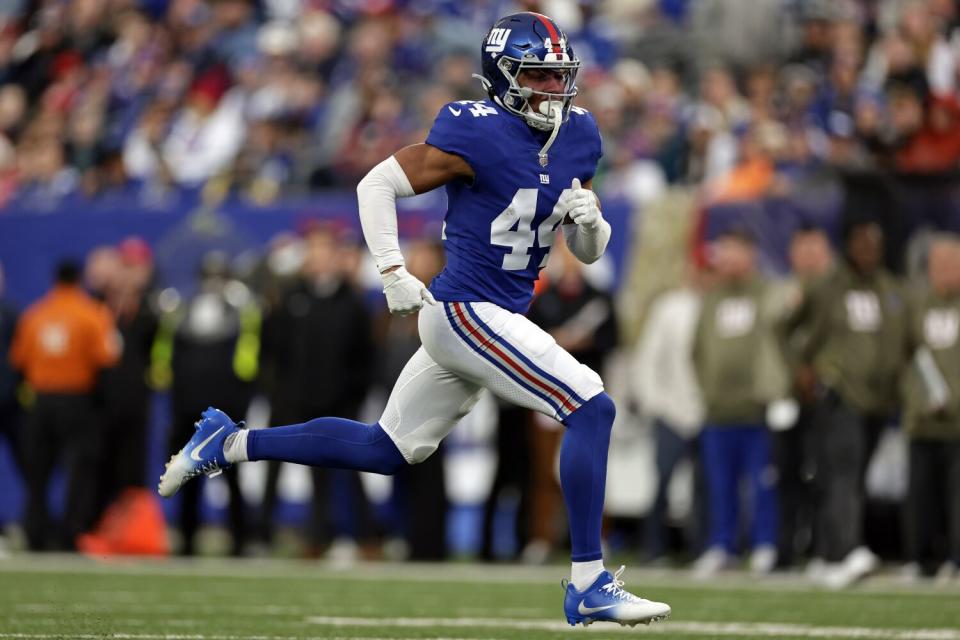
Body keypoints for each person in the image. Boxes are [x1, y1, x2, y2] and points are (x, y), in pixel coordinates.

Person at [158, 12, 670, 627]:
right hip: (465, 311)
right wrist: (393, 271)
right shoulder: (475, 131)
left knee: (387, 448)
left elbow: (588, 253)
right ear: (503, 78)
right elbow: (375, 185)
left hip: (492, 317)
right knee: (591, 404)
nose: (552, 89)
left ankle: (230, 442)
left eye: (559, 76)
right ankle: (588, 580)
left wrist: (591, 223)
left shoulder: (580, 135)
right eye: (537, 75)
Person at [9, 259, 120, 550]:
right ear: (79, 279)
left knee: (38, 473)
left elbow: (19, 363)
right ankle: (72, 533)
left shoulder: (35, 314)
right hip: (77, 400)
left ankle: (35, 532)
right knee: (79, 471)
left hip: (41, 401)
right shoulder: (91, 314)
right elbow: (105, 362)